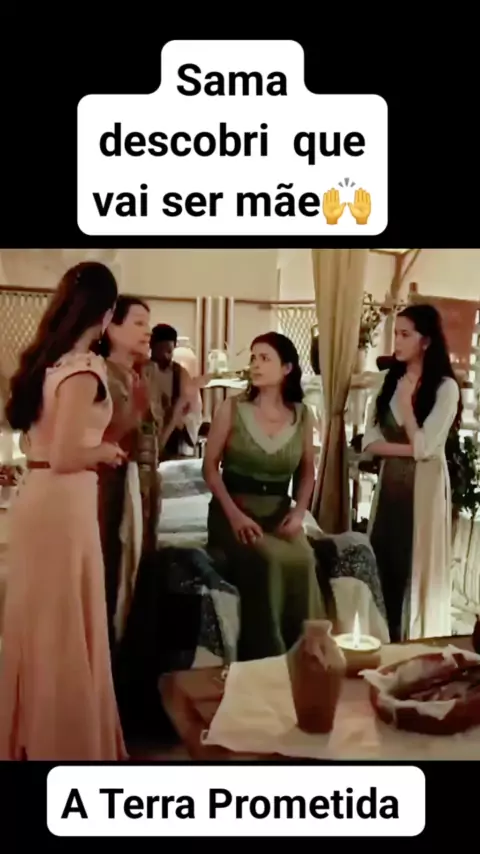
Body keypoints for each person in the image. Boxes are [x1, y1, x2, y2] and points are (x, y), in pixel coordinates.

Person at [0, 261, 128, 760]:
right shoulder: (83, 370)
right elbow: (68, 454)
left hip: (38, 497)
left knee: (40, 625)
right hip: (63, 504)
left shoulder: (47, 365)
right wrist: (106, 451)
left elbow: (38, 444)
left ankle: (30, 736)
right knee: (64, 628)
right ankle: (64, 746)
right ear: (106, 315)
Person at [203, 331, 324, 660]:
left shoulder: (303, 415)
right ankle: (269, 657)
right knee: (269, 560)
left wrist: (299, 512)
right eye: (253, 358)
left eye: (264, 358)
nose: (255, 364)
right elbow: (210, 468)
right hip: (234, 510)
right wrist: (234, 516)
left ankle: (309, 653)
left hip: (279, 511)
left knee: (305, 559)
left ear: (287, 368)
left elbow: (307, 472)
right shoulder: (232, 408)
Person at [362, 304, 462, 641]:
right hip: (390, 484)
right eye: (396, 334)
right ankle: (379, 635)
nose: (398, 341)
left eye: (406, 334)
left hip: (426, 488)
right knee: (383, 555)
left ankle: (413, 639)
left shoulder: (445, 389)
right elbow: (371, 442)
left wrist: (407, 408)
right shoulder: (387, 382)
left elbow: (426, 447)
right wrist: (414, 450)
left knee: (415, 564)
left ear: (426, 341)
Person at [95, 296, 159, 655]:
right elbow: (101, 440)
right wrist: (135, 409)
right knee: (111, 571)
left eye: (148, 323)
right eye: (138, 322)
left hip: (141, 486)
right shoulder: (100, 375)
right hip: (110, 487)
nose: (147, 331)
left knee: (136, 572)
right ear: (111, 328)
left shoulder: (137, 375)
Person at [147, 324, 196, 460]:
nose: (165, 355)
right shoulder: (144, 370)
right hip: (148, 433)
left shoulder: (180, 373)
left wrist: (162, 441)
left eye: (168, 351)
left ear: (174, 347)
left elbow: (180, 410)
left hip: (172, 436)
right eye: (160, 350)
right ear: (151, 347)